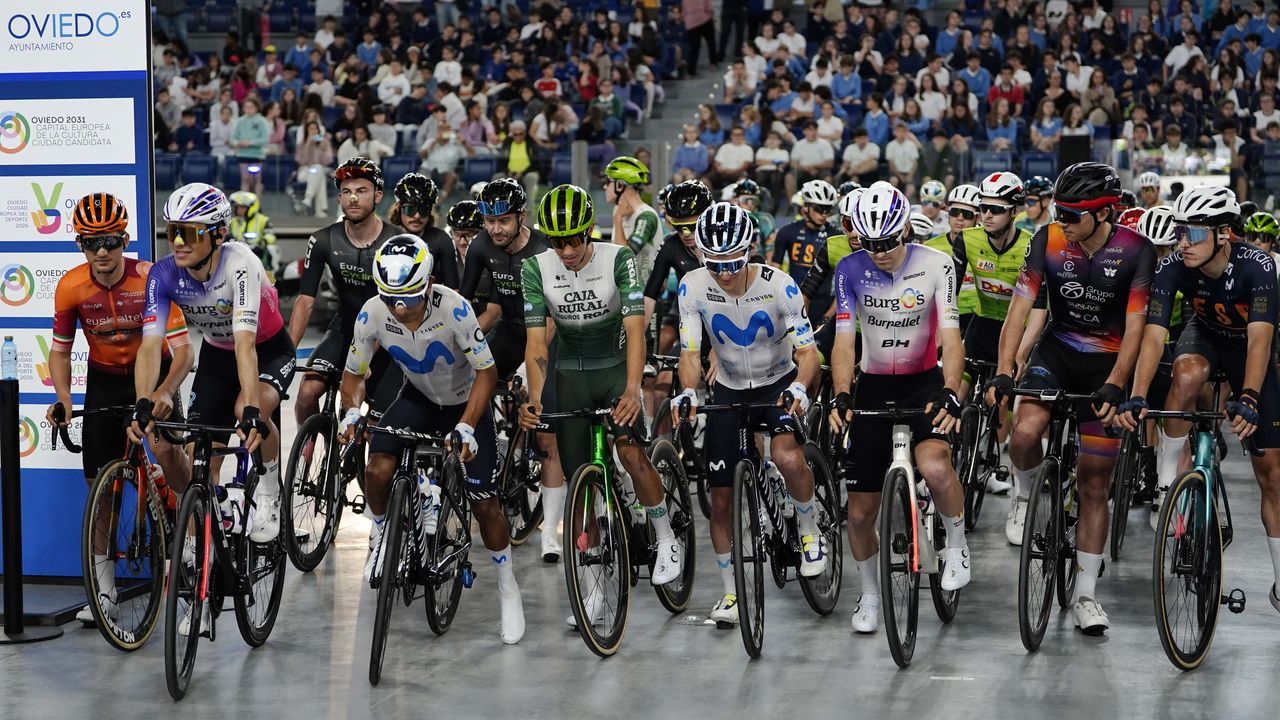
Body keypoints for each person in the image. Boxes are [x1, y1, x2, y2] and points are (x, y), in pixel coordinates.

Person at [986, 162, 1155, 635]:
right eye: (1058, 211)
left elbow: (1138, 328)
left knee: (1094, 483)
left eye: (1072, 214)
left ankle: (1085, 596)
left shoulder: (1137, 251)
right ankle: (1026, 496)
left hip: (1108, 362)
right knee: (1023, 434)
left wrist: (1118, 384)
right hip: (1057, 351)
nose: (1061, 220)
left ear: (1104, 214)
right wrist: (1004, 370)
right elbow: (1020, 310)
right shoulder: (1047, 240)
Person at [340, 235, 524, 644]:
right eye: (390, 298)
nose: (399, 309)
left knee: (486, 504)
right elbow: (354, 373)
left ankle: (507, 585)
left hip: (465, 404)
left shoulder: (455, 309)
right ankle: (385, 531)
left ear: (429, 284)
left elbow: (487, 374)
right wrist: (353, 408)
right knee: (376, 468)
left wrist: (468, 424)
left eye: (408, 297)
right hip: (420, 399)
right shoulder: (372, 314)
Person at [132, 182, 296, 636]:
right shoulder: (163, 274)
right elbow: (150, 347)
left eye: (189, 232)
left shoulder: (241, 263)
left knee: (253, 410)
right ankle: (206, 535)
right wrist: (144, 401)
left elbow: (246, 343)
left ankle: (267, 493)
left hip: (267, 351)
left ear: (217, 234)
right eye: (173, 232)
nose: (178, 243)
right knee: (200, 456)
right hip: (218, 359)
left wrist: (247, 413)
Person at [519, 184, 685, 627]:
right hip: (571, 376)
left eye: (575, 238)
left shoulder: (619, 259)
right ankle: (591, 576)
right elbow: (537, 341)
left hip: (615, 367)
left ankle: (666, 534)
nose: (568, 249)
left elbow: (635, 329)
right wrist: (535, 400)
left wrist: (633, 389)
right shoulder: (535, 267)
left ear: (589, 231)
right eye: (558, 241)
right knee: (582, 486)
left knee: (630, 450)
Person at [1118, 186, 1280, 617]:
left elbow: (1261, 338)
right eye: (1179, 232)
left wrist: (1249, 395)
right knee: (1186, 375)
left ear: (1224, 233)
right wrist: (1136, 394)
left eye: (1193, 233)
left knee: (1273, 477)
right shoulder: (1173, 265)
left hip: (1248, 349)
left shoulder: (1258, 266)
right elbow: (1154, 336)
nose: (1182, 243)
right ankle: (1168, 480)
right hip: (1204, 337)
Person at [673, 201, 826, 627]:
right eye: (714, 263)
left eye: (732, 262)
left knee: (788, 456)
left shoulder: (781, 287)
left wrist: (799, 384)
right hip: (730, 389)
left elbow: (809, 352)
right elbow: (689, 351)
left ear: (750, 250)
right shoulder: (692, 286)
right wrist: (687, 390)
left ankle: (811, 530)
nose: (723, 273)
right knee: (719, 501)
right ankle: (730, 593)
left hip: (779, 381)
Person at [829, 183, 972, 634]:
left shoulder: (937, 264)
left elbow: (951, 336)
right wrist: (842, 392)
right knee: (857, 514)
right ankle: (870, 594)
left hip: (924, 384)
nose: (881, 252)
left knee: (934, 465)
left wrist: (951, 389)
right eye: (870, 244)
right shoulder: (848, 269)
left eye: (889, 242)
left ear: (906, 229)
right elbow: (844, 339)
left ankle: (956, 543)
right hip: (872, 386)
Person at [47, 193, 193, 625]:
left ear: (125, 238)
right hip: (105, 380)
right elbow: (59, 351)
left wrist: (165, 390)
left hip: (156, 373)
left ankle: (189, 530)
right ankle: (104, 592)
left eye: (111, 240)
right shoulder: (70, 287)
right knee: (101, 488)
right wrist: (62, 396)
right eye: (93, 242)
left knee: (167, 452)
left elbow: (183, 354)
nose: (103, 251)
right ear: (80, 245)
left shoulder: (151, 277)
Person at [458, 179, 567, 562]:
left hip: (551, 334)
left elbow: (553, 317)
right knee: (472, 383)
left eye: (503, 221)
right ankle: (490, 448)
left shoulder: (544, 250)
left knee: (546, 432)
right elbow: (462, 301)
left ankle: (550, 532)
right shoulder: (481, 246)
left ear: (522, 217)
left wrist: (527, 364)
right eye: (489, 222)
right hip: (510, 331)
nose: (494, 229)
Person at [289, 158, 406, 436]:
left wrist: (362, 362)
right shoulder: (323, 240)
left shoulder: (397, 240)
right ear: (339, 197)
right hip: (345, 327)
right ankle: (320, 452)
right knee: (307, 393)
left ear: (377, 195)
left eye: (362, 190)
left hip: (388, 334)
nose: (353, 197)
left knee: (379, 424)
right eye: (347, 191)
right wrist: (287, 352)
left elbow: (399, 309)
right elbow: (305, 301)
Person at [386, 173, 461, 289]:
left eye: (423, 210)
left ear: (430, 210)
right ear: (398, 208)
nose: (417, 216)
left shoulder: (441, 239)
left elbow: (453, 291)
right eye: (410, 209)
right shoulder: (386, 237)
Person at [771, 180, 838, 287]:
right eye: (819, 208)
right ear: (806, 206)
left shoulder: (836, 235)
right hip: (793, 293)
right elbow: (775, 268)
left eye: (828, 209)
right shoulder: (787, 231)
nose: (824, 214)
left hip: (823, 299)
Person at [604, 157, 661, 281]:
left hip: (644, 294)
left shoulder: (646, 216)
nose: (604, 187)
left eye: (608, 182)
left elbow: (624, 255)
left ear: (619, 185)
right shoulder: (620, 212)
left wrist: (617, 217)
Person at [227, 191, 279, 279]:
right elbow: (228, 236)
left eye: (242, 207)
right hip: (238, 252)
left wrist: (261, 244)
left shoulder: (263, 220)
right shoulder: (233, 221)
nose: (238, 210)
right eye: (237, 207)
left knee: (271, 248)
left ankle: (270, 281)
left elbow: (270, 236)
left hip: (258, 252)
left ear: (252, 207)